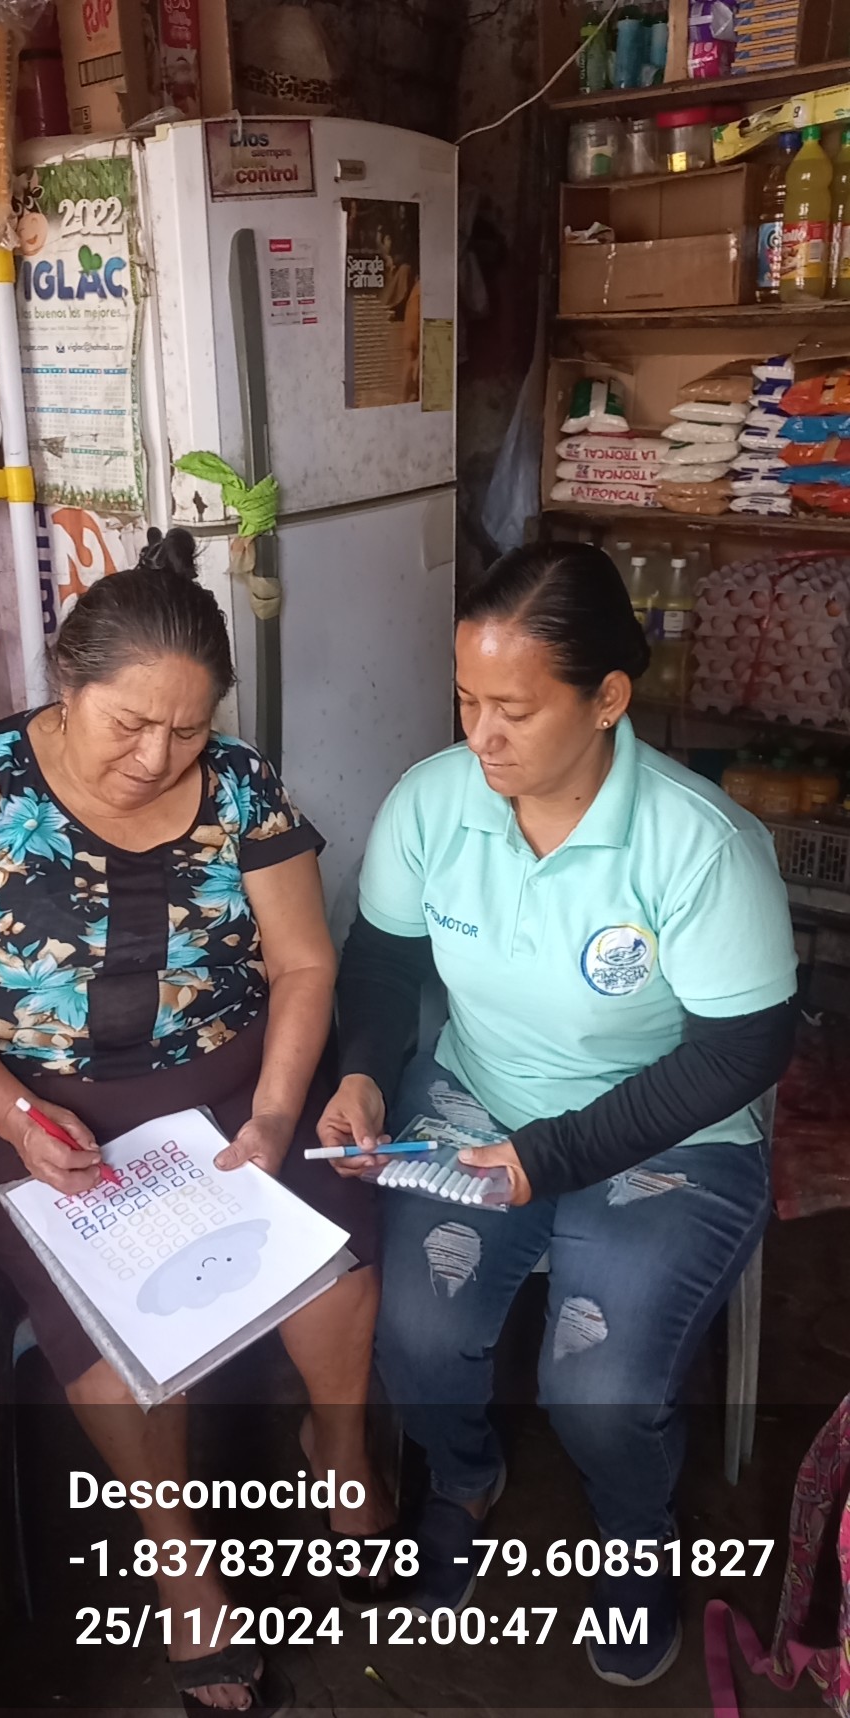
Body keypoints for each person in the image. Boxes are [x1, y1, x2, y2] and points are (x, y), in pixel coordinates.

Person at [0, 528, 389, 1715]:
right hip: (43, 1112)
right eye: (131, 724)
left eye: (189, 729)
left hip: (234, 1082)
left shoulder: (243, 783)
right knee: (120, 1334)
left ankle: (340, 1450)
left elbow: (305, 965)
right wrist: (15, 1112)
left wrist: (272, 1117)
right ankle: (180, 1560)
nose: (159, 757)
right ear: (67, 684)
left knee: (335, 1263)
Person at [317, 542, 799, 1688]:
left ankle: (635, 1535)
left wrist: (557, 1151)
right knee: (413, 1335)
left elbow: (744, 1048)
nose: (480, 738)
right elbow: (382, 963)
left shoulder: (698, 844)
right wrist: (364, 1071)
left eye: (515, 710)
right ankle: (463, 1475)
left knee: (599, 1385)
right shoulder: (435, 801)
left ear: (607, 699)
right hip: (480, 1095)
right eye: (466, 701)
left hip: (671, 1136)